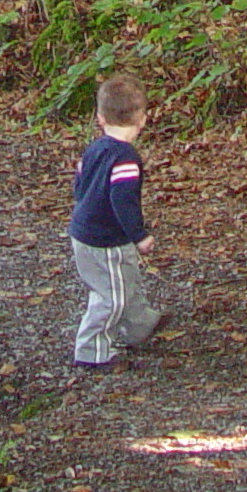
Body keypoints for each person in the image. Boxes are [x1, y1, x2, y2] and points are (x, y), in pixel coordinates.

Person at [68, 73, 164, 369]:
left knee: (125, 279)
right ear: (143, 119)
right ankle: (91, 351)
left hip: (85, 231)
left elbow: (79, 185)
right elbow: (123, 201)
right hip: (105, 239)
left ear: (100, 117)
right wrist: (139, 235)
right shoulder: (125, 159)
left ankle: (139, 325)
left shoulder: (95, 148)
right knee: (111, 296)